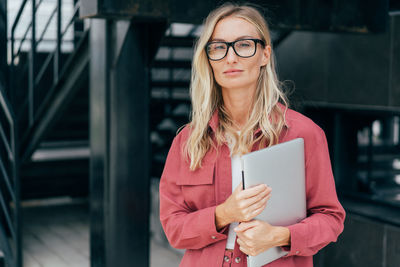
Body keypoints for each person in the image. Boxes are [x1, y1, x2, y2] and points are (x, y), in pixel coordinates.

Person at [159, 3, 345, 267]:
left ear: (265, 54)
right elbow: (173, 227)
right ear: (208, 59)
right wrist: (224, 213)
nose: (230, 58)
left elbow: (330, 218)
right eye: (219, 47)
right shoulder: (188, 141)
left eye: (244, 45)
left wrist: (279, 236)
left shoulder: (304, 134)